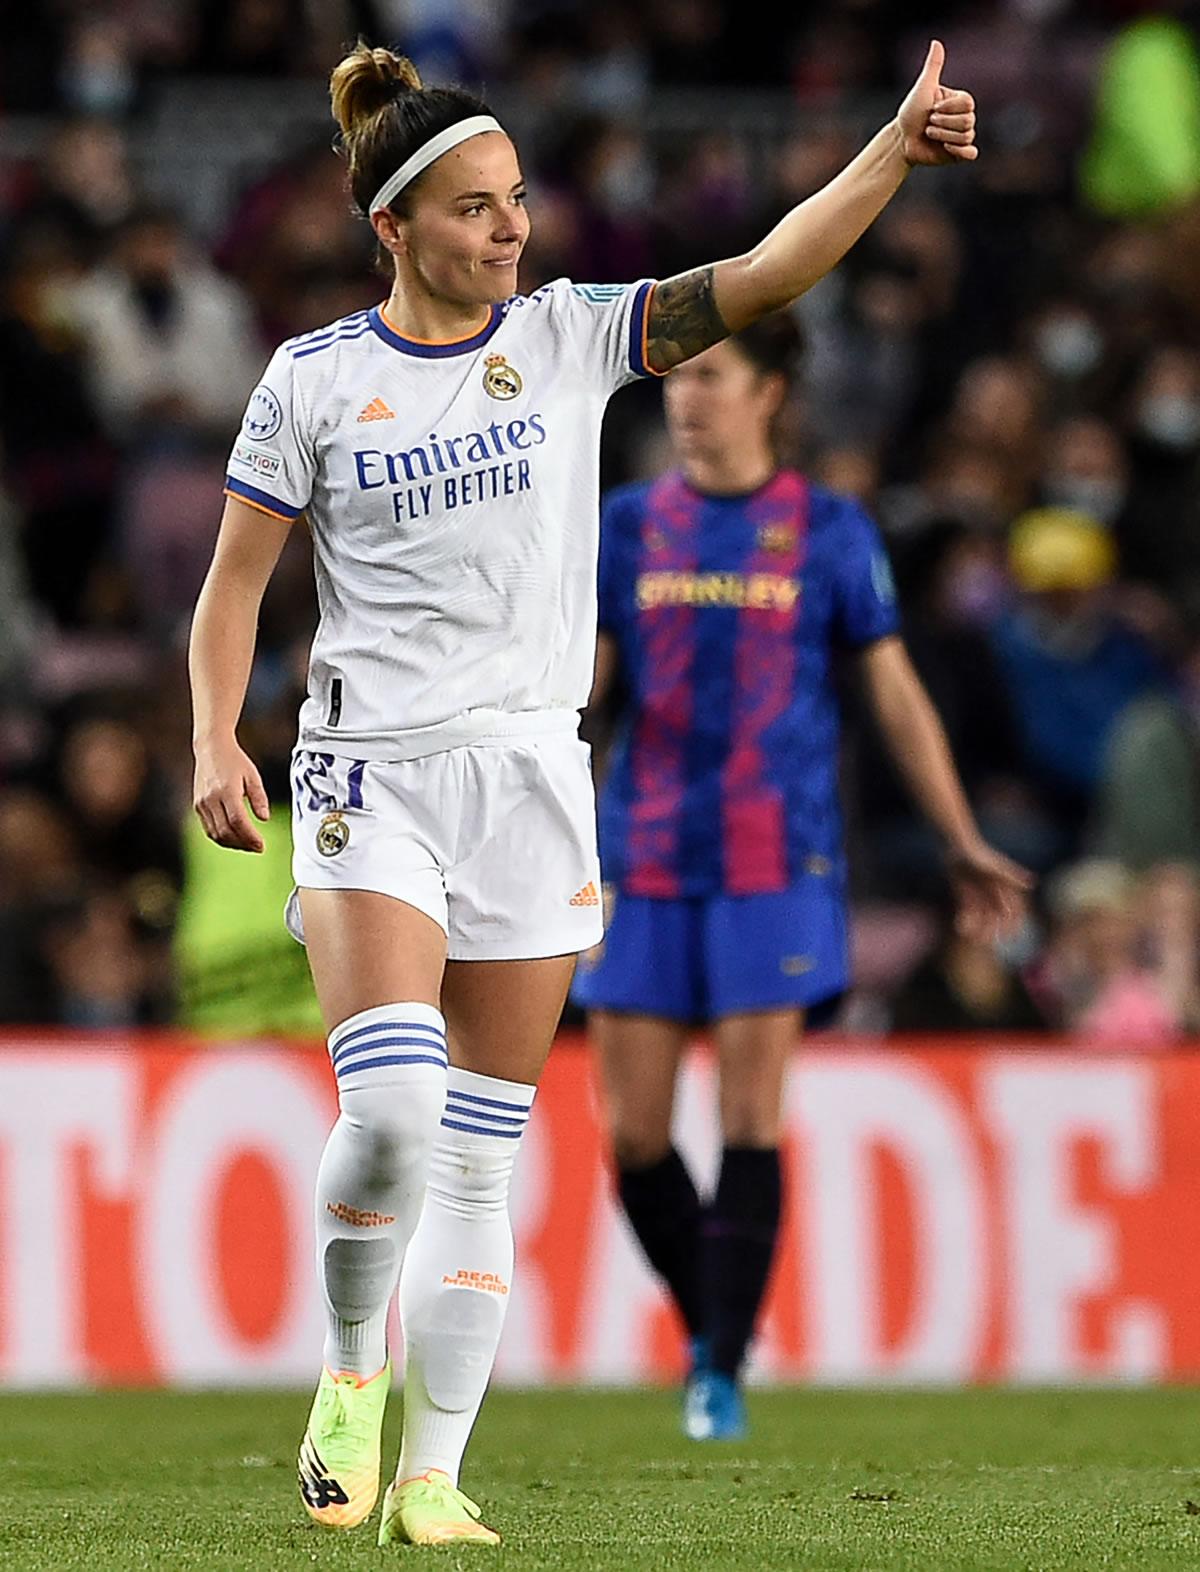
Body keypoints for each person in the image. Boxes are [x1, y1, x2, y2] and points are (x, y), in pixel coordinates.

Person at [188, 38, 981, 1548]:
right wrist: (216, 737)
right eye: (478, 209)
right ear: (395, 228)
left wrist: (887, 150)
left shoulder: (567, 339)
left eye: (520, 200)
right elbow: (233, 594)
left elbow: (758, 275)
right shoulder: (314, 381)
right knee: (399, 1110)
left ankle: (433, 1475)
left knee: (484, 1143)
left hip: (536, 775)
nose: (513, 231)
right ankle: (350, 1374)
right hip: (373, 774)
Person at [572, 313, 1031, 1440]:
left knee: (746, 1114)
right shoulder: (629, 525)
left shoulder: (826, 530)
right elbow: (581, 698)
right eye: (678, 380)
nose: (686, 399)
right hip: (644, 850)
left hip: (778, 854)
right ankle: (714, 1332)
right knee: (631, 1133)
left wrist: (961, 834)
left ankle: (717, 1375)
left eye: (714, 377)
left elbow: (893, 692)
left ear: (772, 391)